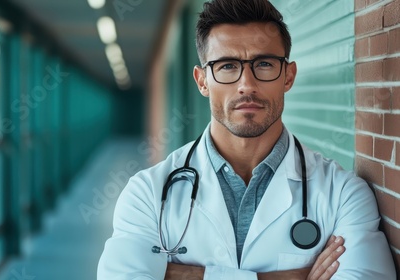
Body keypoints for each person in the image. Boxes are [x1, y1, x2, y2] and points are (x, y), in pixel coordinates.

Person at [97, 0, 397, 279]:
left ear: (288, 76)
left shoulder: (344, 194)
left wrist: (187, 274)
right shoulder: (148, 193)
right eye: (227, 66)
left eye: (264, 64)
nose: (246, 85)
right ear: (203, 81)